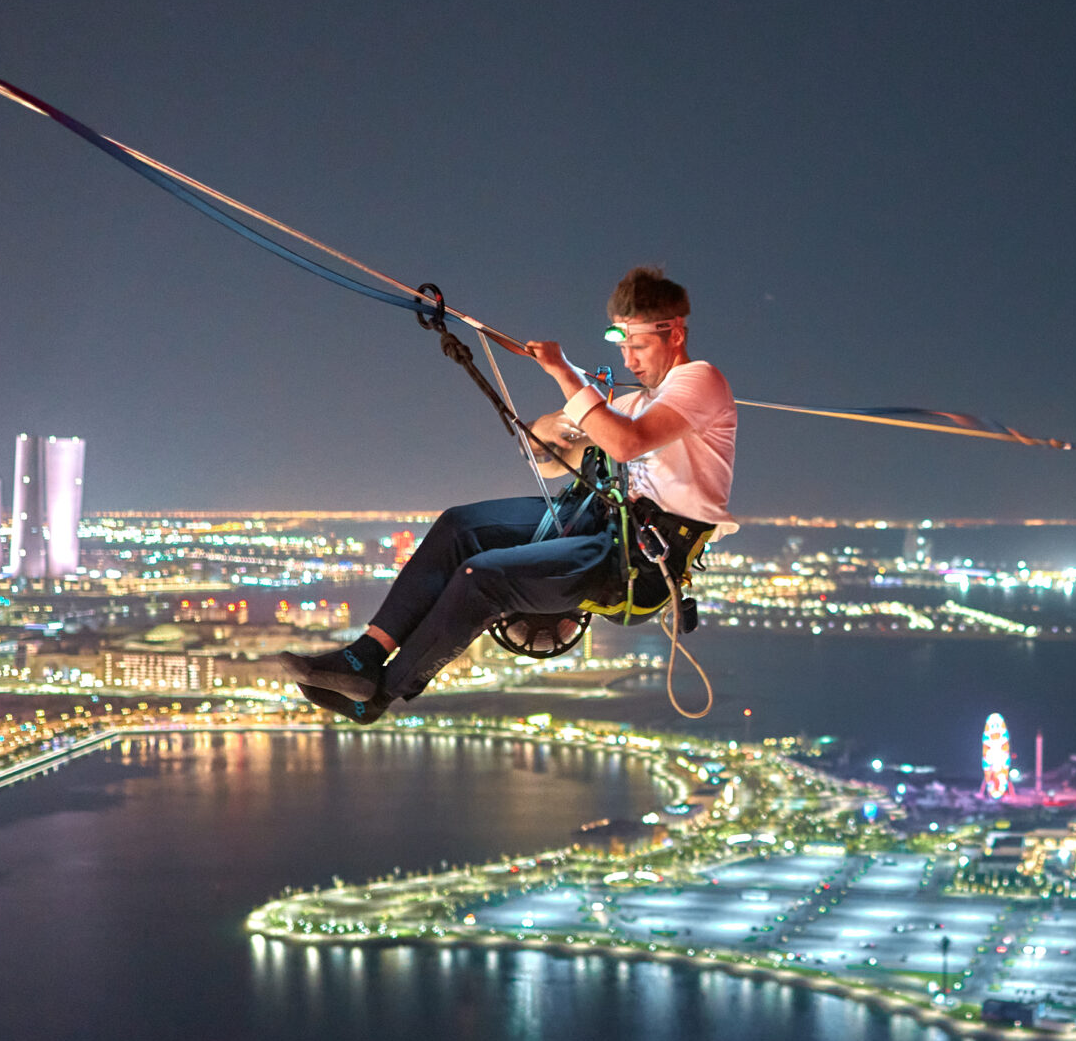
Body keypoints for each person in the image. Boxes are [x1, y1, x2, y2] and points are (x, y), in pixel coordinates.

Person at [277, 266, 735, 722]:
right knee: (460, 526)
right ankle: (362, 658)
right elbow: (550, 453)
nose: (630, 360)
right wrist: (562, 420)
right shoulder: (634, 403)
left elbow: (625, 443)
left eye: (638, 346)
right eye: (623, 347)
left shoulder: (700, 380)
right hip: (600, 524)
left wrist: (564, 374)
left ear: (674, 333)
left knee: (483, 577)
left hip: (639, 566)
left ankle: (377, 696)